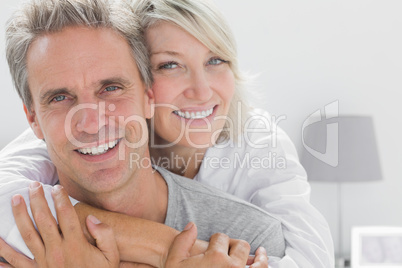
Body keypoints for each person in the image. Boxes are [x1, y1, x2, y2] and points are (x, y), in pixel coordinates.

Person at [0, 0, 334, 267]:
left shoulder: (250, 235)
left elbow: (312, 255)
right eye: (59, 98)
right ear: (33, 119)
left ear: (146, 95)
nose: (90, 122)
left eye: (111, 88)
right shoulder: (16, 233)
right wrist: (168, 250)